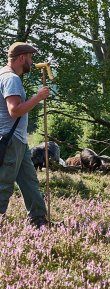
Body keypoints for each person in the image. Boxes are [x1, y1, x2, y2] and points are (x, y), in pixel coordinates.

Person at [0, 41, 51, 228]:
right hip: (10, 140)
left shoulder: (4, 75)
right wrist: (38, 97)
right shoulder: (11, 79)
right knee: (4, 183)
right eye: (30, 57)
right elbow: (14, 110)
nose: (32, 61)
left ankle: (39, 221)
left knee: (30, 181)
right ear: (22, 57)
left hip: (18, 141)